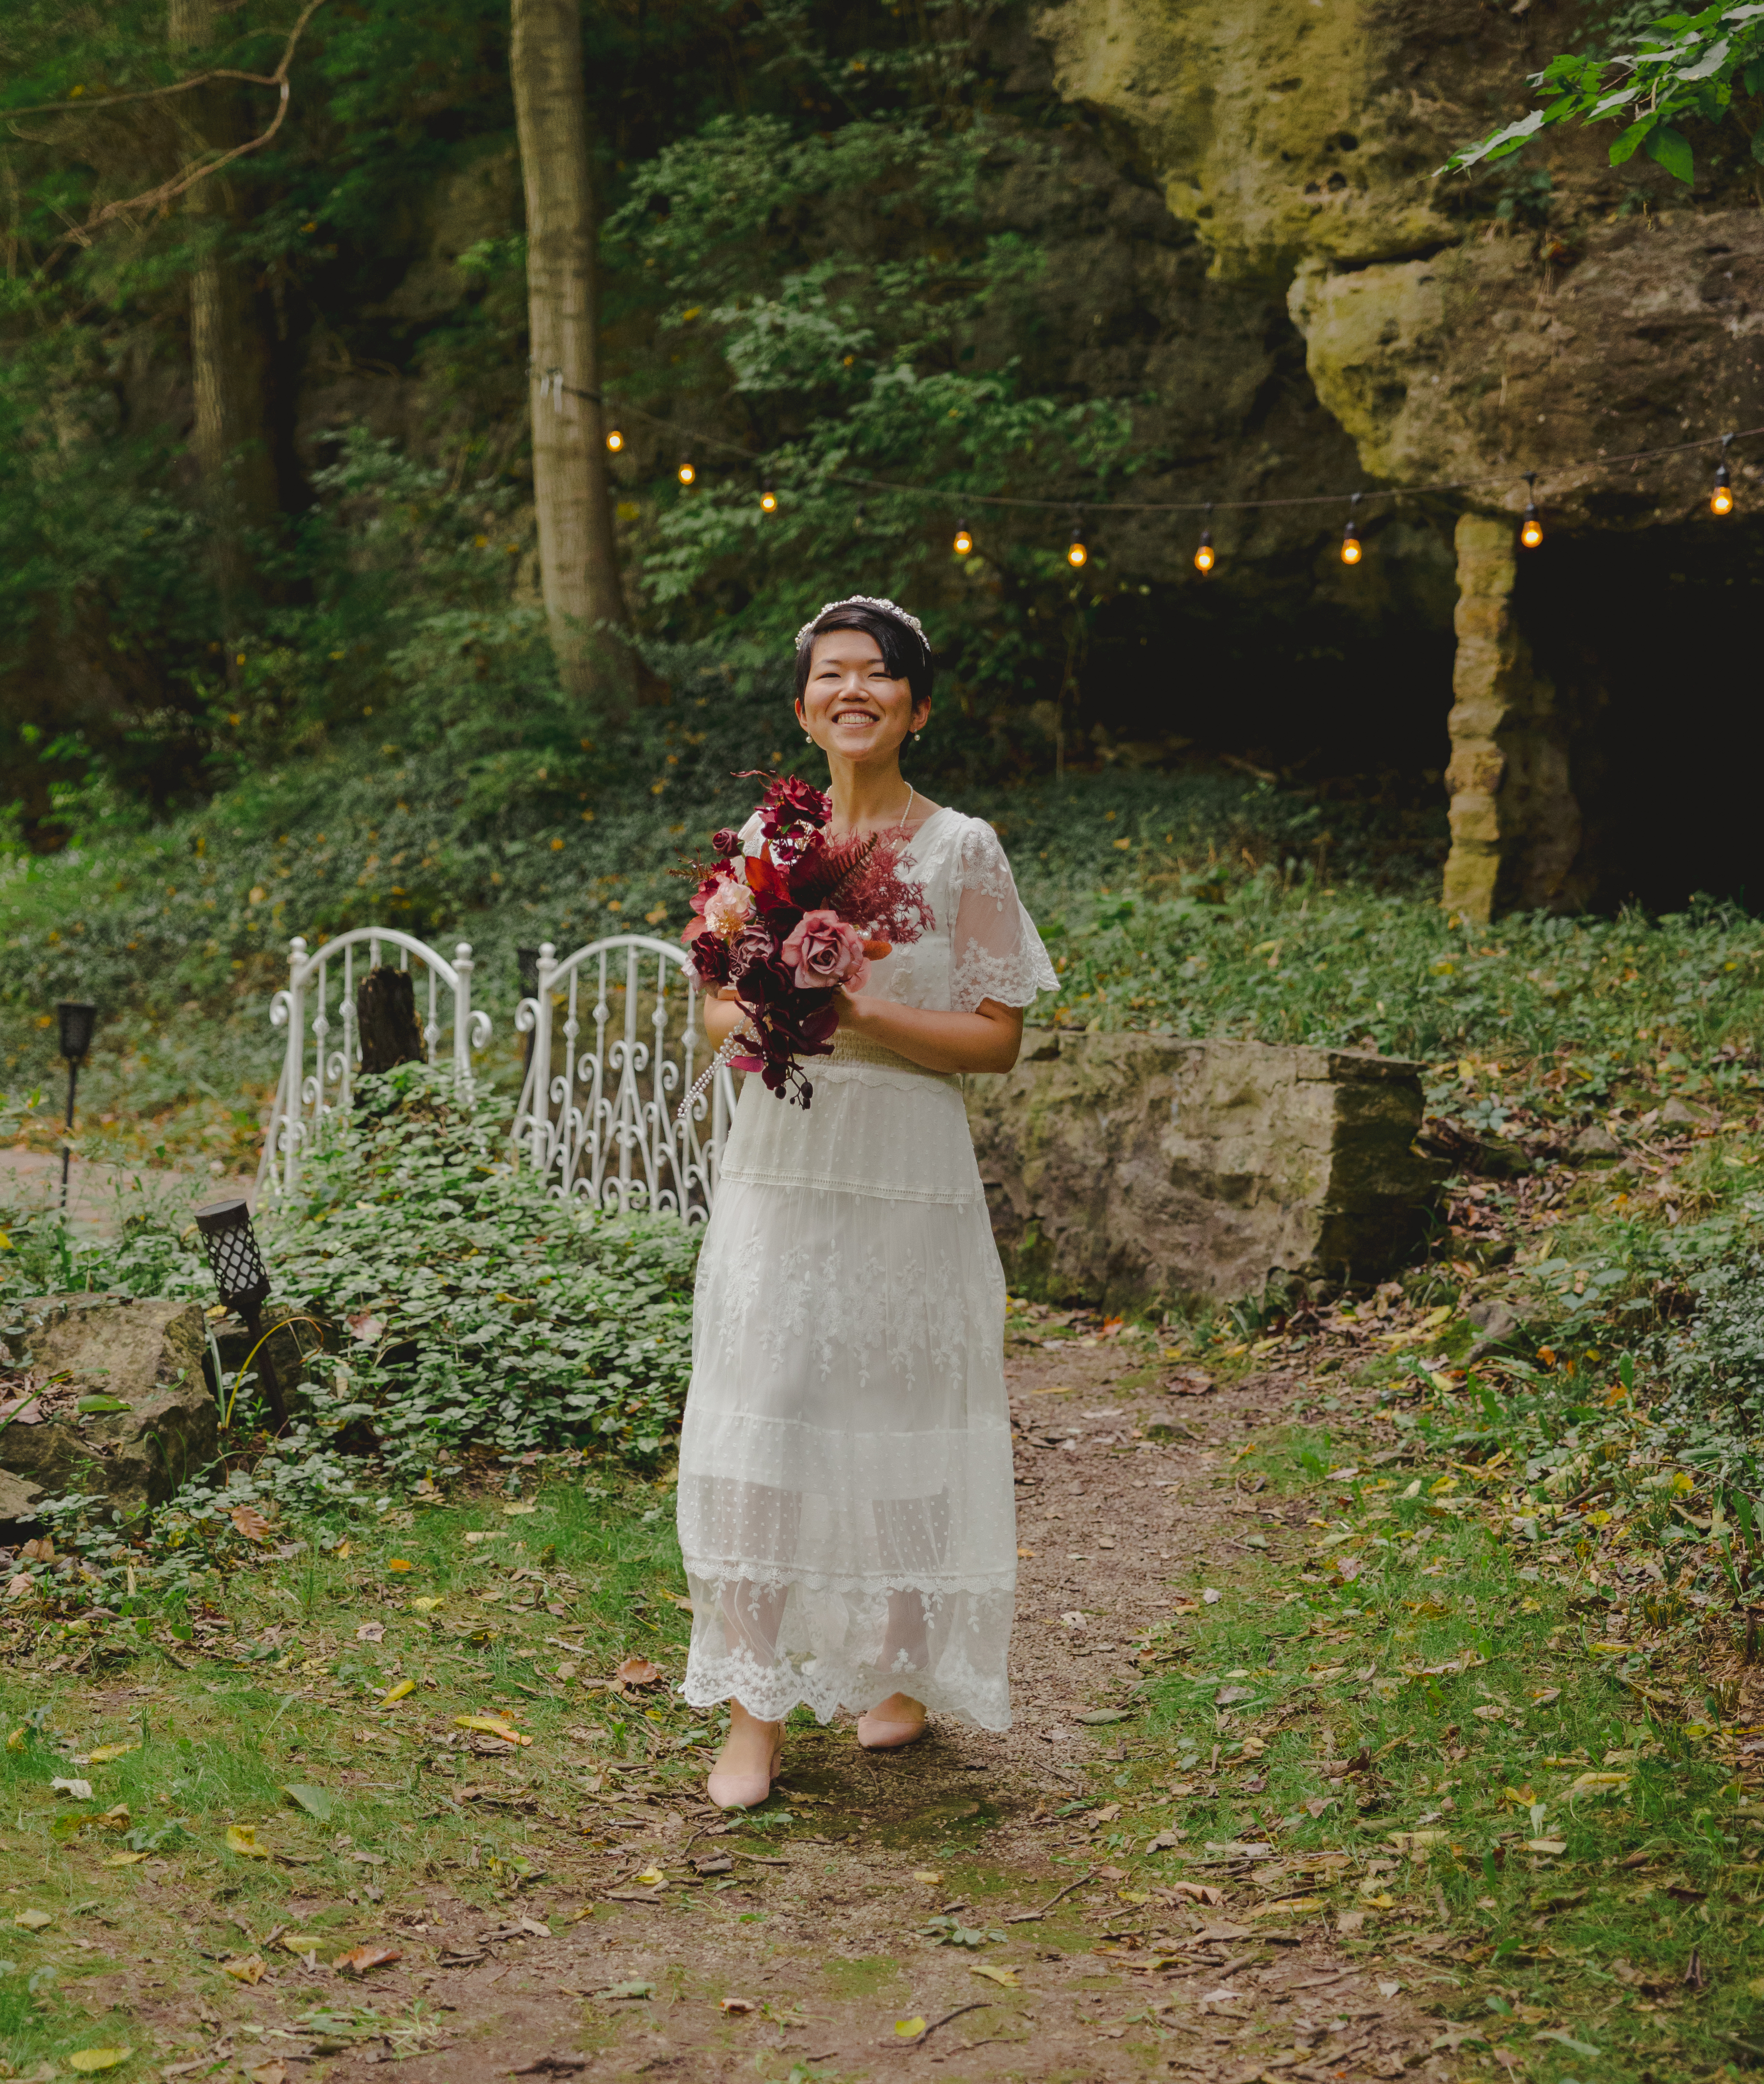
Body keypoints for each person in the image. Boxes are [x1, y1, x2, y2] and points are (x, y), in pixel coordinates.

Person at [675, 594, 1059, 1808]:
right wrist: (773, 1011)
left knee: (899, 1397)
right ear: (803, 708)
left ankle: (899, 1668)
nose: (855, 691)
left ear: (917, 706)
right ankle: (754, 1709)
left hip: (906, 1162)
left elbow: (996, 1041)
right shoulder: (763, 844)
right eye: (832, 676)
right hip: (783, 1159)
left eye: (879, 675)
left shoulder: (965, 850)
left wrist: (860, 1014)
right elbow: (712, 1008)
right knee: (767, 1401)